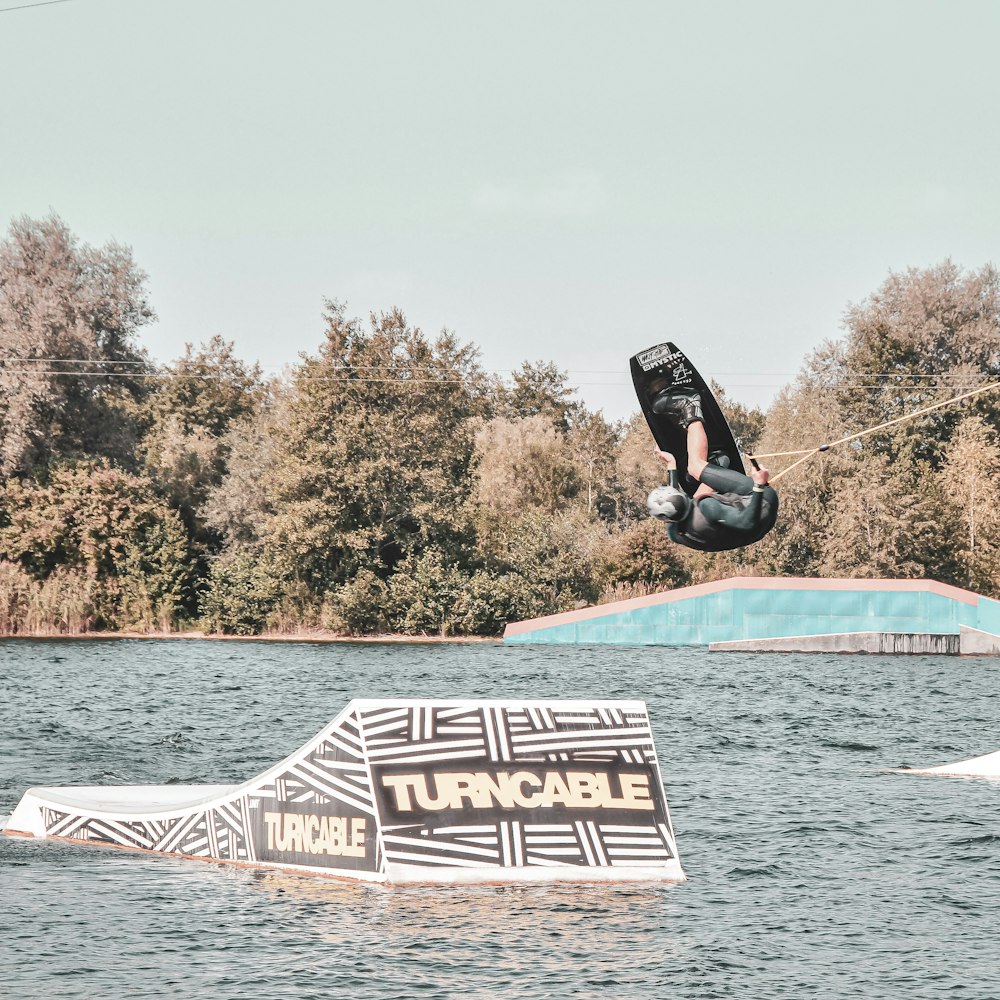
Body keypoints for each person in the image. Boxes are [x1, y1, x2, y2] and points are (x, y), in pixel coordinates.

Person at [646, 388, 778, 551]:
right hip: (763, 504)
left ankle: (719, 464)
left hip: (758, 531)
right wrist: (758, 485)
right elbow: (747, 522)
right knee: (695, 467)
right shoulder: (708, 507)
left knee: (696, 500)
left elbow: (675, 505)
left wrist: (672, 464)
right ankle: (690, 404)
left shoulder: (674, 533)